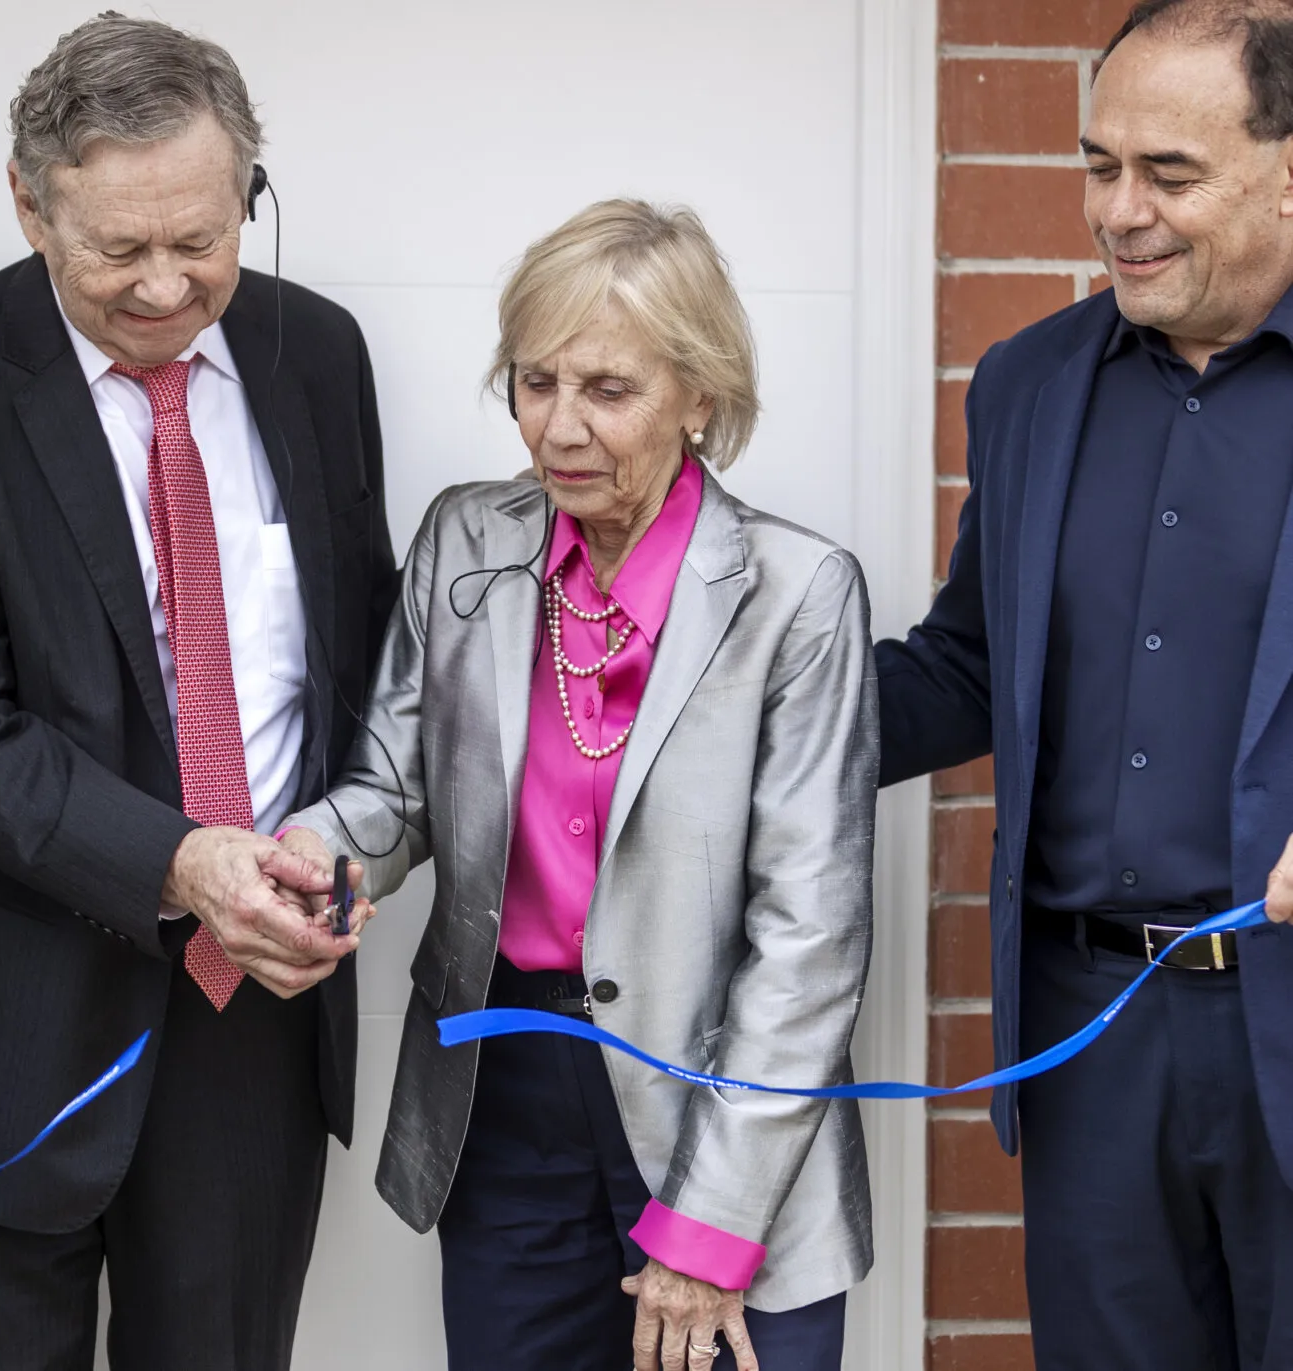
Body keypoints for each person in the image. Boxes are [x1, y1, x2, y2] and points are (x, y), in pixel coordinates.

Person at [0, 14, 396, 1370]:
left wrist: (341, 841)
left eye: (199, 240)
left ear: (248, 190)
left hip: (248, 1012)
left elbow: (359, 657)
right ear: (29, 203)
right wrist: (187, 861)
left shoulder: (317, 353)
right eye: (118, 248)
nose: (163, 286)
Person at [276, 200, 873, 1371]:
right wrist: (292, 861)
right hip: (507, 1102)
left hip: (722, 1103)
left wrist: (707, 1229)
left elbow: (810, 939)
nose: (559, 428)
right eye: (533, 381)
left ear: (699, 396)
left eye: (607, 388)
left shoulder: (797, 593)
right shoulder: (467, 542)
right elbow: (391, 792)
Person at [878, 2, 1293, 1365]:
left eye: (1168, 175)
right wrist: (722, 706)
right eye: (1098, 164)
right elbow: (966, 667)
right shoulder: (1028, 383)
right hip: (1093, 1038)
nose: (1120, 211)